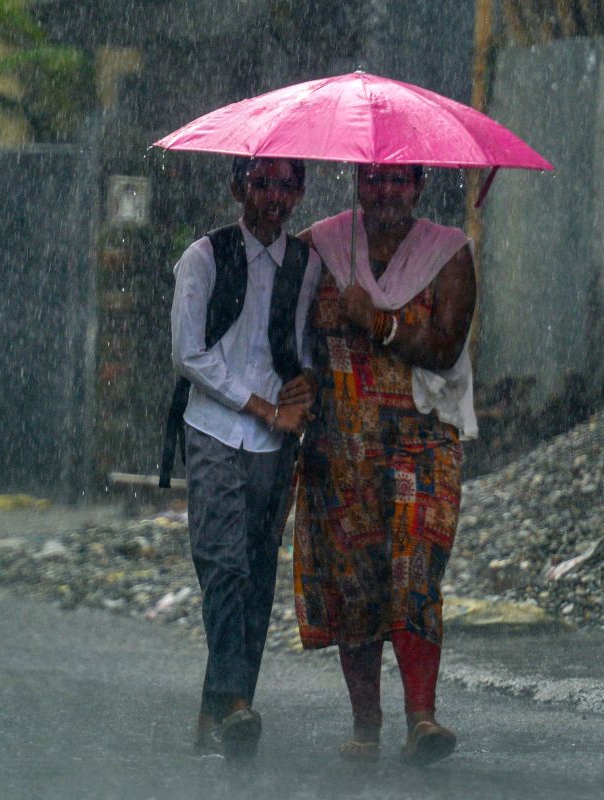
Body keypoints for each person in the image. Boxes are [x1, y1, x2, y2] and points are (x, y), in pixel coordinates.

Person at [293, 163, 477, 765]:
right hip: (340, 447)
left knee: (415, 570)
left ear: (420, 185)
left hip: (422, 442)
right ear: (356, 182)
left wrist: (379, 324)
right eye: (373, 179)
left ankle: (421, 717)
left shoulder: (448, 252)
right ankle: (366, 723)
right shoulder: (321, 246)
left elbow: (447, 345)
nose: (386, 191)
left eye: (400, 180)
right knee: (356, 583)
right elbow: (279, 324)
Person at [170, 157, 321, 757]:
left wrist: (304, 386)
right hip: (212, 428)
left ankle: (223, 712)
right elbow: (187, 354)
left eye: (286, 185)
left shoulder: (306, 265)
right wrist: (258, 404)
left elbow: (302, 346)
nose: (274, 198)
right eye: (262, 183)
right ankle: (235, 701)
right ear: (238, 188)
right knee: (221, 562)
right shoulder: (203, 258)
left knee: (256, 575)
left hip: (273, 446)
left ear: (300, 192)